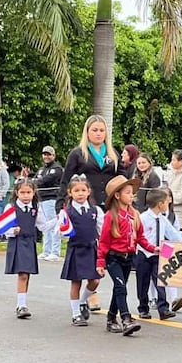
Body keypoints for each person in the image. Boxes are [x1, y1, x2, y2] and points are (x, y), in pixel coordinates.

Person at [58, 115, 124, 312]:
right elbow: (66, 180)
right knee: (90, 249)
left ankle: (95, 290)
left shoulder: (113, 154)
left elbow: (120, 179)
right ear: (87, 132)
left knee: (106, 250)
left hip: (108, 206)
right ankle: (89, 296)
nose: (98, 133)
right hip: (86, 207)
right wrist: (61, 206)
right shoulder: (78, 154)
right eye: (94, 130)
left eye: (101, 130)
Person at [96, 175, 158, 336]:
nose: (132, 195)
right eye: (128, 192)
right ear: (117, 195)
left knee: (119, 289)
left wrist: (152, 248)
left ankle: (111, 318)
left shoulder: (134, 215)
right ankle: (126, 319)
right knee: (121, 287)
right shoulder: (111, 216)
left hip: (128, 258)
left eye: (132, 193)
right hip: (113, 258)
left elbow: (141, 237)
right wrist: (100, 262)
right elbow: (103, 242)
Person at [3, 178, 57, 319]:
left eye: (29, 192)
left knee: (27, 275)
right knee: (23, 274)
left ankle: (22, 302)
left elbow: (42, 226)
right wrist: (13, 231)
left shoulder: (36, 208)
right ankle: (21, 306)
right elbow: (3, 228)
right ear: (16, 193)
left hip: (30, 242)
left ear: (34, 193)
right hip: (17, 242)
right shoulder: (11, 208)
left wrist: (58, 219)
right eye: (23, 192)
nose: (26, 195)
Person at [59, 175, 103, 326]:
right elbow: (61, 232)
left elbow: (101, 230)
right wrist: (63, 229)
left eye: (83, 190)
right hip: (76, 249)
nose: (80, 193)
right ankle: (76, 314)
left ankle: (83, 301)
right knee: (76, 283)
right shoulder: (67, 212)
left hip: (91, 249)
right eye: (76, 190)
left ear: (89, 191)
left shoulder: (95, 210)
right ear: (70, 193)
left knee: (95, 280)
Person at [136, 188, 182, 321]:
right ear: (160, 204)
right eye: (166, 203)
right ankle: (143, 307)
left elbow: (172, 234)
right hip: (144, 254)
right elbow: (138, 236)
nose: (167, 205)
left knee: (161, 282)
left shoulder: (162, 219)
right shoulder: (142, 218)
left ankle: (163, 309)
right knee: (143, 283)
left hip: (159, 255)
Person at [33, 146, 64, 260]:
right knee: (45, 226)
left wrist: (36, 181)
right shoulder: (41, 169)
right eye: (45, 154)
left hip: (52, 199)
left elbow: (43, 181)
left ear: (53, 156)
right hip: (42, 200)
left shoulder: (57, 169)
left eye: (49, 154)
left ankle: (55, 251)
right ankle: (46, 251)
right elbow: (36, 180)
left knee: (54, 226)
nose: (46, 156)